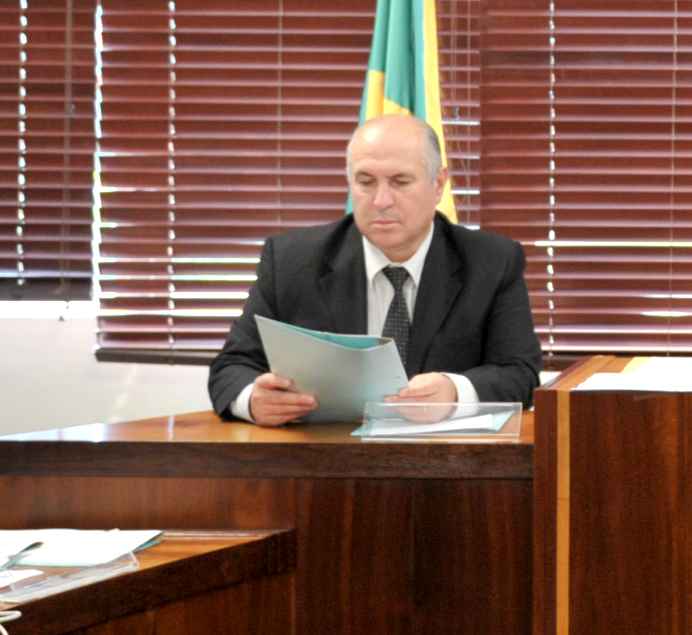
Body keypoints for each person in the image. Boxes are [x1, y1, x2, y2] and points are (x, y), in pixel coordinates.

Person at [209, 115, 543, 423]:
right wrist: (252, 400)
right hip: (327, 456)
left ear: (439, 184)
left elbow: (520, 374)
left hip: (448, 458)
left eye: (400, 181)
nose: (382, 200)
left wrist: (455, 391)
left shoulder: (492, 261)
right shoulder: (292, 260)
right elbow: (231, 367)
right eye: (366, 182)